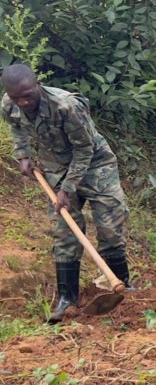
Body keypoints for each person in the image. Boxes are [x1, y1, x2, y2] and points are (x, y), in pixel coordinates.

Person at [2, 64, 132, 322]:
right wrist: (24, 155)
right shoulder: (9, 104)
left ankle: (123, 289)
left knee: (110, 226)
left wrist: (67, 188)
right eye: (18, 97)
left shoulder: (67, 106)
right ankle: (67, 299)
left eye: (28, 94)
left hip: (96, 165)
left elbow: (84, 150)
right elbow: (17, 128)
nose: (24, 101)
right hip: (55, 166)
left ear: (37, 84)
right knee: (64, 231)